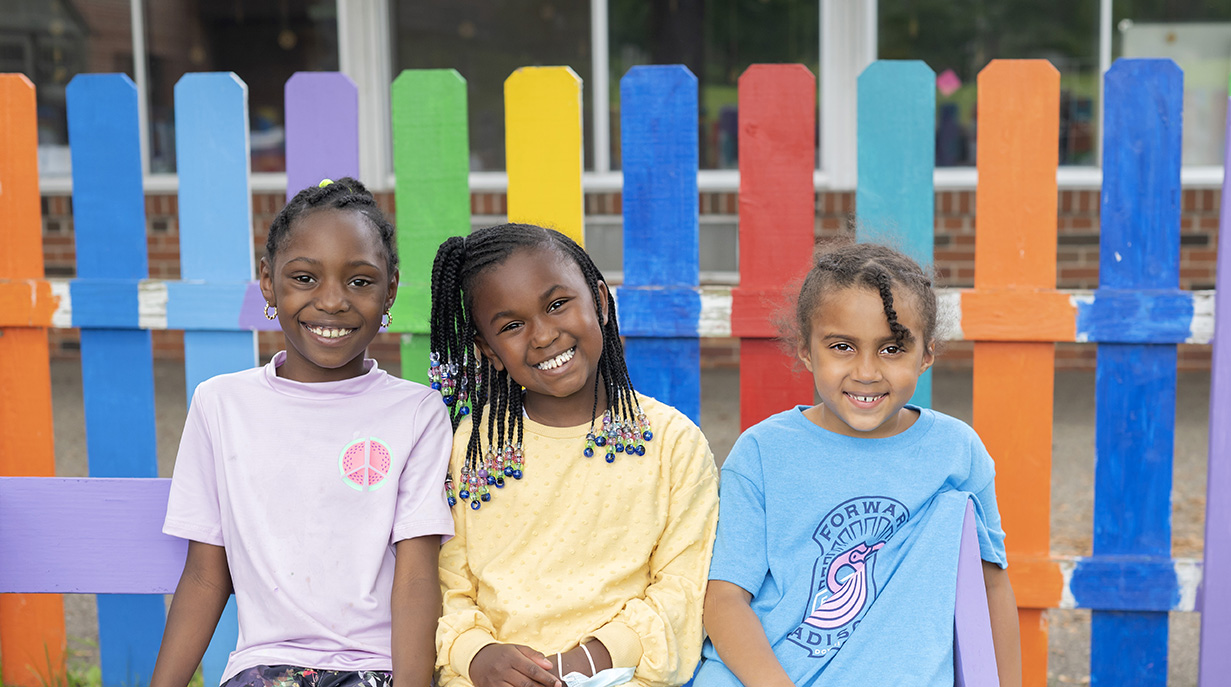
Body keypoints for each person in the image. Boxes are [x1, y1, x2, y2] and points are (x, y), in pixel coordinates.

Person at [151, 178, 454, 687]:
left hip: (375, 669)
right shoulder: (221, 405)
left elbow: (418, 576)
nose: (333, 301)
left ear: (391, 289)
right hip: (262, 670)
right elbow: (207, 574)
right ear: (268, 282)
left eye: (360, 281)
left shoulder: (416, 412)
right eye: (305, 278)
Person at [698, 243, 1021, 687]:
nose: (867, 372)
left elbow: (991, 588)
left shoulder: (956, 452)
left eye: (892, 349)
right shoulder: (762, 453)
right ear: (806, 351)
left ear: (926, 354)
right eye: (843, 347)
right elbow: (724, 601)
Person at [428, 224, 720, 687]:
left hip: (623, 675)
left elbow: (684, 587)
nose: (543, 335)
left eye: (557, 304)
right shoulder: (468, 446)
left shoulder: (673, 444)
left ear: (600, 302)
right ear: (489, 351)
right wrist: (476, 653)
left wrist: (594, 658)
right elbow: (447, 584)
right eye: (511, 326)